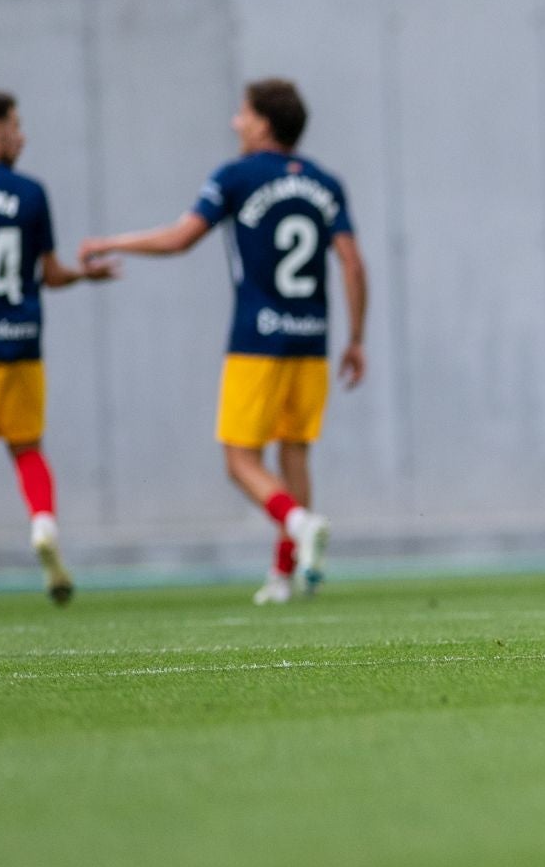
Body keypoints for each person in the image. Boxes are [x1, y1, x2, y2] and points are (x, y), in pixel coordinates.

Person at [79, 79, 367, 605]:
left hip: (256, 340)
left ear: (263, 123)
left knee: (240, 461)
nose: (236, 122)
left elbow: (180, 239)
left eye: (243, 114)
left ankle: (298, 524)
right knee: (295, 452)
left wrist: (112, 242)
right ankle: (286, 576)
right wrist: (357, 339)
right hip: (311, 340)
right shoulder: (326, 183)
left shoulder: (234, 176)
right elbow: (351, 262)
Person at [0, 91, 118, 616]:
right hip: (20, 341)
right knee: (26, 447)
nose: (21, 138)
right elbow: (49, 273)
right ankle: (44, 523)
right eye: (14, 127)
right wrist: (84, 276)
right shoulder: (29, 192)